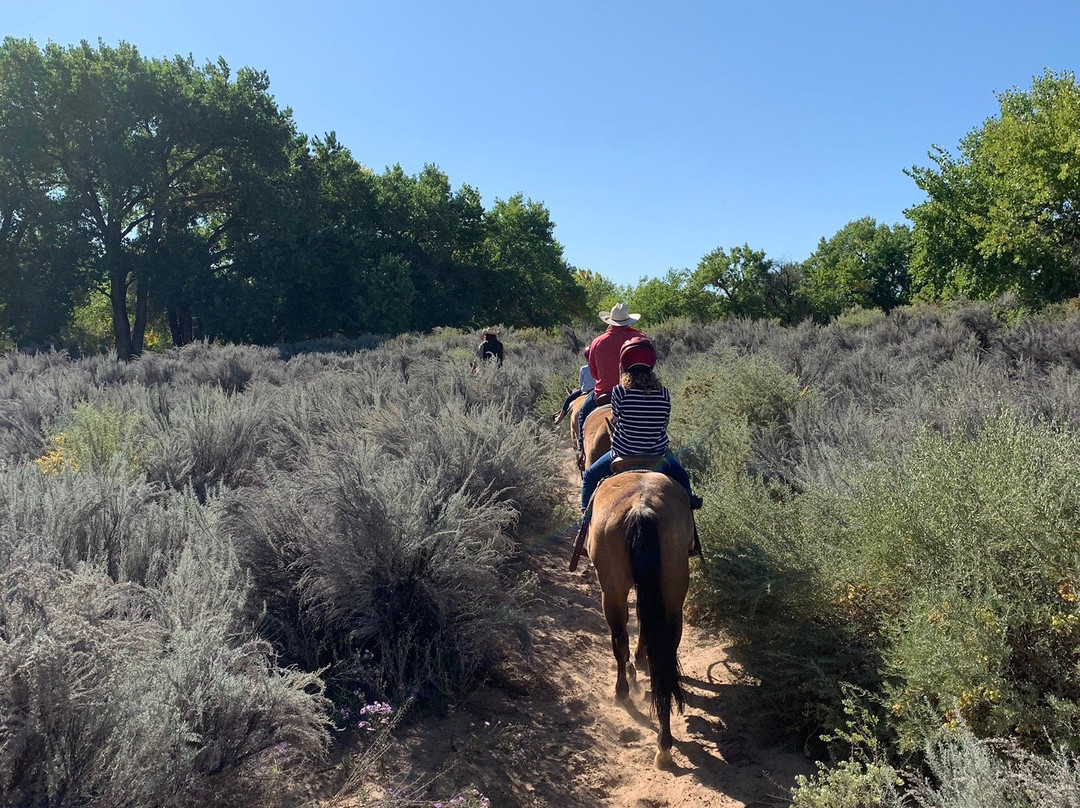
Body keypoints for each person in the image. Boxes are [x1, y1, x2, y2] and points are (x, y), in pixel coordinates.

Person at [578, 336, 703, 555]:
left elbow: (617, 418)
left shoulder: (618, 392)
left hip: (623, 454)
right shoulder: (664, 393)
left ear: (624, 365)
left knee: (589, 476)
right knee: (683, 479)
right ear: (652, 365)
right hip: (658, 455)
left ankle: (586, 527)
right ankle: (691, 540)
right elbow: (664, 422)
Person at [576, 303, 646, 449]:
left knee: (582, 413)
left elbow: (594, 373)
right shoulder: (638, 338)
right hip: (635, 392)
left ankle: (581, 450)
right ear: (628, 321)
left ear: (610, 321)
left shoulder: (597, 342)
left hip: (604, 393)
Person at [553, 346, 596, 425]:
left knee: (569, 399)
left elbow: (580, 382)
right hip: (597, 390)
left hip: (585, 391)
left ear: (586, 358)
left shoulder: (583, 369)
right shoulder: (597, 366)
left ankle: (560, 417)